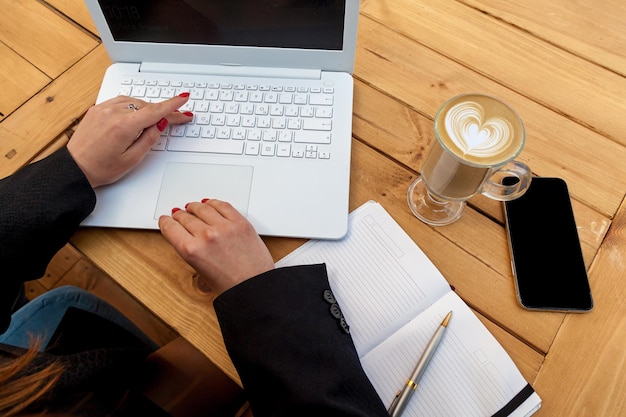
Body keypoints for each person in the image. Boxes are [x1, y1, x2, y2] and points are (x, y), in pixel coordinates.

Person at [0, 93, 389, 416]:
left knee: (71, 301)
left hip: (38, 359)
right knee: (209, 357)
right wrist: (256, 292)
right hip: (87, 392)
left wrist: (73, 168)